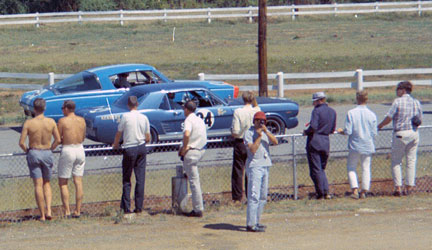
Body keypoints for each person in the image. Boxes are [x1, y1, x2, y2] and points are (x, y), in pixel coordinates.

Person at [18, 98, 61, 221]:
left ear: (34, 109)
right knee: (47, 183)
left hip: (34, 151)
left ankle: (42, 214)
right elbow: (58, 140)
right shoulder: (51, 122)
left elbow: (21, 142)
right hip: (47, 151)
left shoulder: (29, 123)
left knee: (38, 184)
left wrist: (28, 150)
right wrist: (51, 149)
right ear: (44, 108)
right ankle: (48, 210)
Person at [378, 81, 422, 196]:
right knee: (411, 161)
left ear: (403, 90)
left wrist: (380, 125)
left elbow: (389, 117)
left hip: (400, 133)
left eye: (398, 89)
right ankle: (409, 187)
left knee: (396, 161)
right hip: (413, 132)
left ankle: (398, 187)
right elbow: (420, 119)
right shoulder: (416, 102)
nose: (396, 92)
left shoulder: (397, 102)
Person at [113, 96, 151, 214]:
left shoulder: (125, 116)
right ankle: (139, 207)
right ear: (137, 104)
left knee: (127, 179)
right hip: (141, 147)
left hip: (129, 148)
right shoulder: (144, 117)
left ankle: (126, 207)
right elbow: (148, 136)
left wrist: (115, 144)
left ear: (128, 105)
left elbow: (119, 132)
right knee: (140, 178)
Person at [337, 91, 377, 199]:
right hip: (368, 144)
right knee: (366, 167)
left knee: (351, 167)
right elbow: (374, 132)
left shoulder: (351, 113)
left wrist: (342, 131)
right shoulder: (372, 114)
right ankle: (364, 190)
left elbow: (348, 131)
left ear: (357, 99)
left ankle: (355, 189)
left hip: (355, 144)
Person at [244, 111, 278, 232]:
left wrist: (266, 132)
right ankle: (251, 224)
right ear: (254, 121)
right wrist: (258, 136)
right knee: (254, 196)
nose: (261, 123)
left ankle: (257, 221)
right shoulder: (248, 133)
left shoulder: (265, 132)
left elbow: (275, 142)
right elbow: (252, 149)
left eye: (263, 121)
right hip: (255, 166)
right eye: (258, 121)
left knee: (263, 196)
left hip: (265, 165)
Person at [303, 92, 337, 200]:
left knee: (316, 170)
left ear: (319, 100)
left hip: (315, 141)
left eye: (314, 101)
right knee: (321, 169)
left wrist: (306, 132)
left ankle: (320, 193)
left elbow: (313, 126)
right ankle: (326, 191)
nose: (313, 103)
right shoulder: (332, 112)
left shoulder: (316, 111)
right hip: (325, 141)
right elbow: (332, 129)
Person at [57, 100, 86, 218]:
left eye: (62, 108)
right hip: (80, 149)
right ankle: (78, 210)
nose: (62, 110)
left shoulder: (62, 121)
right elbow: (83, 136)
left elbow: (58, 138)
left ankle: (67, 211)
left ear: (66, 109)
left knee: (63, 182)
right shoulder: (82, 120)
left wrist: (52, 147)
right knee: (78, 181)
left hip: (68, 149)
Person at [230, 91, 260, 203]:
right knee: (251, 169)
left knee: (238, 170)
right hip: (253, 142)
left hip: (241, 142)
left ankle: (237, 197)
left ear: (243, 99)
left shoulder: (238, 112)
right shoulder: (257, 111)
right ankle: (251, 194)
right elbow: (257, 106)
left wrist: (232, 133)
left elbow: (236, 131)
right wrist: (254, 99)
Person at [178, 100, 207, 217]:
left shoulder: (188, 120)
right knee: (194, 179)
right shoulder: (199, 119)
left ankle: (198, 209)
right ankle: (197, 206)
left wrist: (184, 148)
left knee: (194, 181)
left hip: (192, 151)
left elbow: (186, 134)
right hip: (201, 149)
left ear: (186, 109)